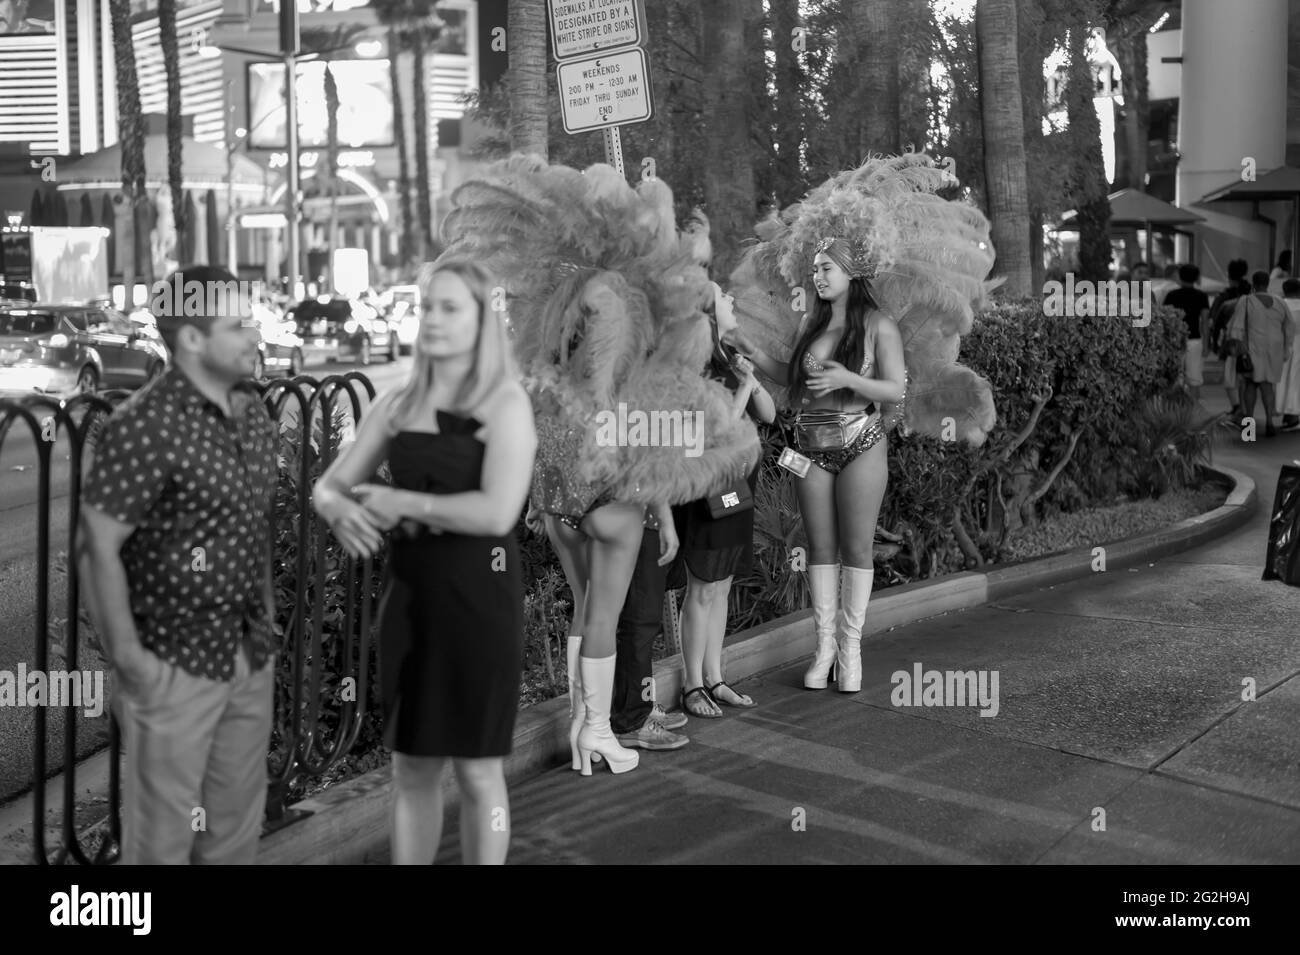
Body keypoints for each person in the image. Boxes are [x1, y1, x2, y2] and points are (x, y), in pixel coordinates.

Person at [438, 155, 759, 777]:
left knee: (585, 607)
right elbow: (617, 395)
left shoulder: (554, 296)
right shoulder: (613, 294)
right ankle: (599, 732)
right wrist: (658, 493)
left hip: (555, 469)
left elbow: (539, 387)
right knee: (605, 612)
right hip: (607, 467)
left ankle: (582, 728)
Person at [729, 153, 998, 694]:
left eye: (826, 268)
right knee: (820, 551)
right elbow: (793, 380)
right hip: (811, 445)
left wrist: (844, 381)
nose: (818, 275)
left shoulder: (878, 324)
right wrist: (750, 358)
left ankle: (850, 650)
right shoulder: (810, 322)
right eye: (815, 268)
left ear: (853, 270)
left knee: (855, 549)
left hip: (861, 443)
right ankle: (823, 647)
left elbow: (893, 389)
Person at [313, 257, 536, 865]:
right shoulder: (398, 402)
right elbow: (328, 486)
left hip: (480, 603)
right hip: (410, 603)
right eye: (427, 306)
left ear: (482, 319)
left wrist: (395, 500)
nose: (433, 320)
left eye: (450, 307)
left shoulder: (505, 401)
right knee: (410, 766)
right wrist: (338, 509)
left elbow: (496, 514)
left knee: (480, 770)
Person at [77, 266, 277, 865]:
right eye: (238, 324)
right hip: (173, 666)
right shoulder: (144, 425)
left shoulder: (252, 414)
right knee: (159, 848)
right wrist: (133, 665)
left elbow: (253, 525)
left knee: (233, 840)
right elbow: (98, 549)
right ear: (191, 338)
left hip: (247, 658)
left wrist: (264, 624)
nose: (254, 333)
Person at [676, 282, 777, 717]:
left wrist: (750, 380)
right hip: (708, 491)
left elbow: (770, 414)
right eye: (723, 297)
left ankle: (715, 677)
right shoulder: (696, 366)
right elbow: (714, 433)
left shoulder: (728, 359)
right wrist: (744, 387)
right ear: (708, 311)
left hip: (738, 489)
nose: (733, 300)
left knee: (721, 587)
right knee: (701, 588)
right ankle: (691, 684)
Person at [1226, 269, 1294, 438]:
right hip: (1274, 350)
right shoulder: (1280, 302)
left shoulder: (1246, 301)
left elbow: (1237, 326)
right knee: (1267, 386)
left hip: (1252, 348)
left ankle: (1249, 427)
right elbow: (1290, 327)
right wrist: (1286, 348)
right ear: (1268, 283)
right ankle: (1270, 422)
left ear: (1253, 284)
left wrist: (1235, 348)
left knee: (1250, 385)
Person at [1209, 258, 1251, 421]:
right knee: (1246, 378)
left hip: (1232, 343)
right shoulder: (1253, 299)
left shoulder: (1225, 299)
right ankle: (1247, 409)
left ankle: (1237, 407)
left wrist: (1214, 343)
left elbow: (1215, 322)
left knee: (1230, 376)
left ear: (1228, 274)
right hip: (1252, 342)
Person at [1162, 264, 1210, 401]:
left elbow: (1166, 319)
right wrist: (1206, 345)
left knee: (1175, 377)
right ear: (1196, 278)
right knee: (1194, 379)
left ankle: (1173, 410)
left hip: (1175, 339)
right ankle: (1193, 412)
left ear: (1180, 277)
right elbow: (1205, 322)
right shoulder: (1201, 296)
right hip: (1195, 340)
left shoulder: (1172, 295)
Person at [1278, 278, 1300, 431]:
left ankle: (1288, 414)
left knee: (1283, 380)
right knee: (1295, 380)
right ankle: (1292, 415)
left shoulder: (1279, 305)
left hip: (1282, 345)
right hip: (1298, 344)